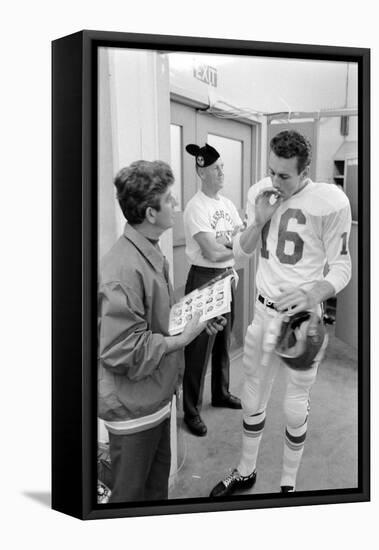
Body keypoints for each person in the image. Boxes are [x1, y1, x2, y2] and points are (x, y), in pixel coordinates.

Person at [209, 130, 352, 496]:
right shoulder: (261, 191)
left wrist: (312, 293)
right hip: (263, 312)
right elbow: (240, 256)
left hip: (301, 321)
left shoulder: (330, 201)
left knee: (294, 406)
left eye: (284, 175)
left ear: (305, 171)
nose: (275, 180)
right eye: (271, 171)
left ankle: (288, 482)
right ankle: (245, 470)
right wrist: (258, 220)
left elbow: (342, 267)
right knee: (253, 396)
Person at [98, 160, 226, 503]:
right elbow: (120, 349)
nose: (177, 205)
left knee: (154, 493)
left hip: (155, 396)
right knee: (129, 498)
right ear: (151, 213)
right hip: (132, 408)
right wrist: (182, 339)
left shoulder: (150, 251)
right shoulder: (122, 269)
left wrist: (195, 321)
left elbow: (155, 320)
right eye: (170, 200)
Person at [182, 143, 243, 437]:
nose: (222, 172)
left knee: (223, 341)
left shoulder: (227, 205)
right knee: (198, 349)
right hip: (204, 279)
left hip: (226, 277)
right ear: (201, 172)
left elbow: (241, 241)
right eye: (216, 168)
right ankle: (191, 411)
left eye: (222, 167)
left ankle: (221, 393)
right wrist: (231, 247)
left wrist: (229, 249)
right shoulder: (196, 207)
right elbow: (211, 252)